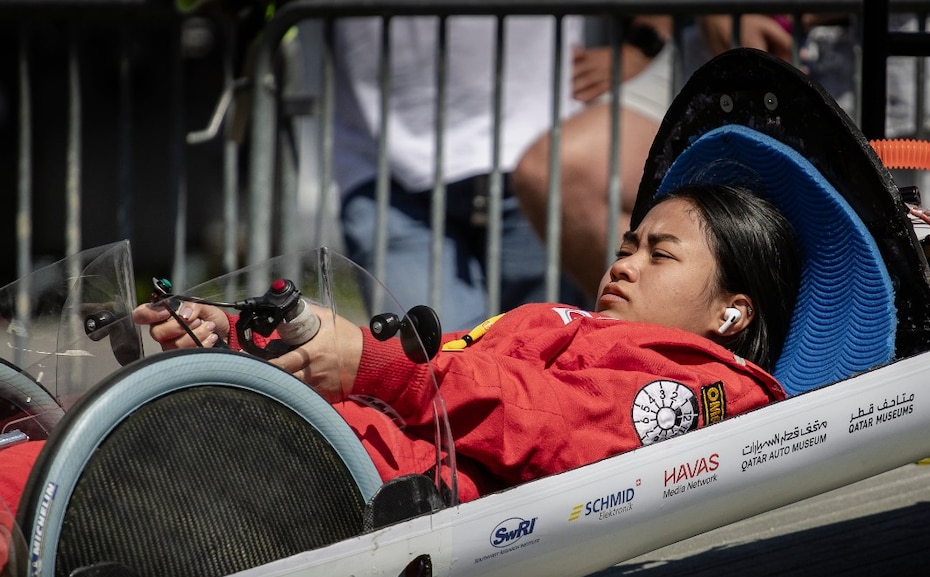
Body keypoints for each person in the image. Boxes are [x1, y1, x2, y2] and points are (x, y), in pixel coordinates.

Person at [0, 183, 801, 515]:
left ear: (733, 312)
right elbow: (429, 367)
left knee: (35, 484)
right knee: (46, 441)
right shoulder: (564, 324)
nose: (622, 259)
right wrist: (241, 335)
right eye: (628, 241)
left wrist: (373, 363)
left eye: (659, 253)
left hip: (322, 480)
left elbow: (557, 427)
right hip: (300, 442)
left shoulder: (699, 386)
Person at [512, 14, 801, 302]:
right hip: (704, 52)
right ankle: (645, 333)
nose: (621, 267)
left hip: (835, 46)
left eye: (659, 255)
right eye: (624, 250)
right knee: (553, 170)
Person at [334, 15, 584, 331]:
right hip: (382, 171)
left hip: (539, 161)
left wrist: (645, 47)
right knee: (432, 364)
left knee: (545, 356)